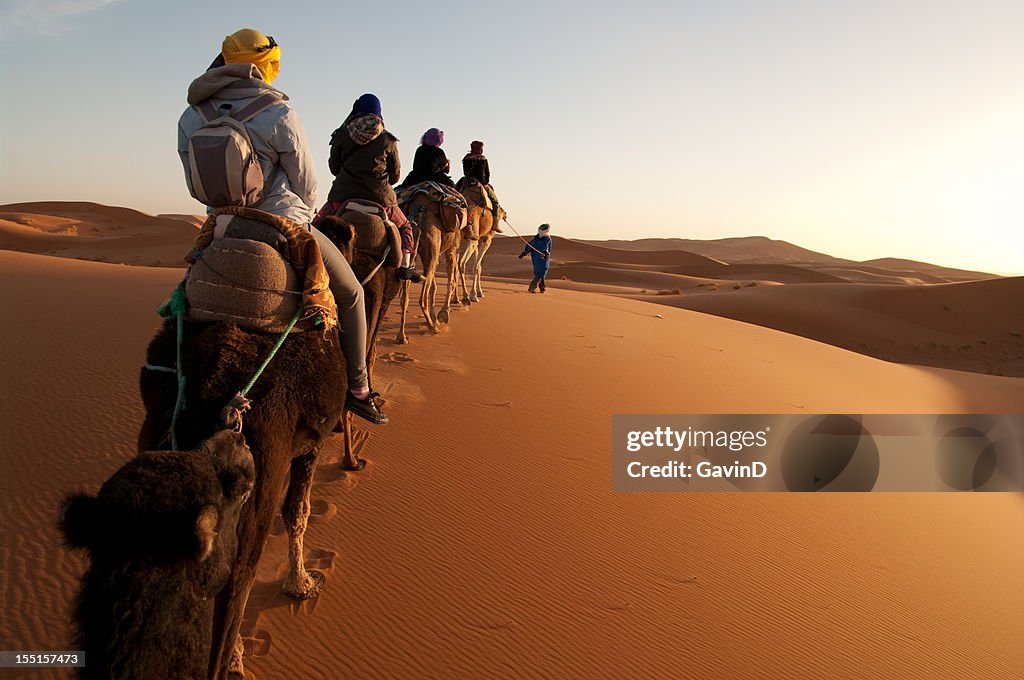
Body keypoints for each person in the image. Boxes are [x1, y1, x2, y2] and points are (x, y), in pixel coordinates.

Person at [177, 28, 387, 425]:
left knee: (183, 295)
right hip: (283, 222)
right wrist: (299, 219)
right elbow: (307, 184)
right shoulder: (279, 113)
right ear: (267, 66)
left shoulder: (191, 115)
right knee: (353, 294)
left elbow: (194, 181)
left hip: (222, 225)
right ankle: (359, 389)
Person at [318, 94, 422, 282]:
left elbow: (334, 168)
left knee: (315, 226)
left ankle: (307, 262)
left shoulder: (342, 135)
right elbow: (396, 176)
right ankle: (406, 265)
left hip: (342, 197)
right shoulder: (388, 140)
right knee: (406, 227)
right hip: (381, 200)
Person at [461, 140, 502, 220]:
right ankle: (495, 222)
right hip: (481, 183)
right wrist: (486, 183)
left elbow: (465, 172)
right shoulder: (483, 158)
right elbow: (487, 173)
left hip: (468, 181)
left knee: (455, 192)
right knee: (495, 201)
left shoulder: (466, 158)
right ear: (480, 149)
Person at [518, 224, 552, 293]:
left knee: (541, 273)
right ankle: (533, 288)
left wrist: (545, 252)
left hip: (543, 258)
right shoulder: (536, 239)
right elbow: (530, 246)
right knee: (539, 273)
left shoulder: (547, 238)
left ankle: (541, 288)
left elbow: (546, 247)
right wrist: (524, 253)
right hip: (537, 258)